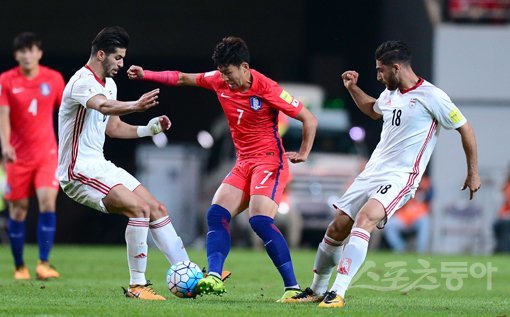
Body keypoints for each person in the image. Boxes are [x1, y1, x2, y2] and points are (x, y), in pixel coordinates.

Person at [285, 40, 481, 307]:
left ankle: (338, 292)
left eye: (380, 71)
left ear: (396, 68)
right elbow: (373, 110)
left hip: (401, 177)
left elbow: (465, 129)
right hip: (372, 172)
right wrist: (353, 88)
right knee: (336, 228)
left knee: (365, 219)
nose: (377, 76)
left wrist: (473, 173)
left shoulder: (433, 96)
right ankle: (317, 290)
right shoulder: (391, 94)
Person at [127, 36, 318, 302]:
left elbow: (308, 118)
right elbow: (182, 78)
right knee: (216, 214)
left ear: (244, 67)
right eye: (222, 73)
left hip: (269, 161)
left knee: (260, 221)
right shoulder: (218, 79)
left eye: (229, 73)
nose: (225, 79)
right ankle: (214, 277)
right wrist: (146, 74)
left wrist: (304, 152)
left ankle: (293, 289)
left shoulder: (267, 87)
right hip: (243, 162)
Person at [57, 26, 189, 300]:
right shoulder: (82, 81)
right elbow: (104, 107)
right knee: (138, 209)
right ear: (101, 54)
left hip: (100, 165)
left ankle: (187, 270)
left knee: (156, 207)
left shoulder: (110, 84)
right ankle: (137, 286)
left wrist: (148, 129)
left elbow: (113, 127)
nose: (121, 64)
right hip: (77, 170)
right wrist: (136, 105)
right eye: (117, 58)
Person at [0, 32, 65, 280]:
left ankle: (43, 263)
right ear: (17, 55)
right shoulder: (6, 80)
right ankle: (19, 267)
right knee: (19, 210)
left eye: (32, 50)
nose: (28, 55)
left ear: (39, 53)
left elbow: (67, 111)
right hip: (17, 157)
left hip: (47, 153)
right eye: (23, 51)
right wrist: (5, 145)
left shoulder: (54, 79)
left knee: (48, 201)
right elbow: (3, 115)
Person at [384, 174, 432, 253]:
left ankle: (421, 251)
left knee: (425, 220)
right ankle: (400, 248)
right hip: (404, 218)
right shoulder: (404, 180)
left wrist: (421, 185)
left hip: (418, 218)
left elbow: (430, 197)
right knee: (389, 225)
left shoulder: (425, 183)